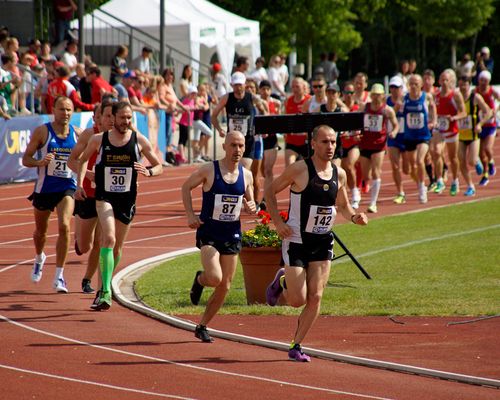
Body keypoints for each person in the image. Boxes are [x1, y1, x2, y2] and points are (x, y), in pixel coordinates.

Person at [264, 125, 368, 362]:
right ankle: (282, 279)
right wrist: (278, 223)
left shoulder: (338, 173)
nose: (330, 146)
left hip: (322, 241)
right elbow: (269, 192)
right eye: (324, 142)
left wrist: (354, 216)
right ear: (313, 144)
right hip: (297, 241)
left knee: (316, 297)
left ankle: (296, 344)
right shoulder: (299, 169)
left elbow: (342, 205)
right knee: (297, 299)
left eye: (333, 142)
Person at [74, 101, 163, 310]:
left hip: (127, 199)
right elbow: (82, 160)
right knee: (109, 238)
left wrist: (149, 171)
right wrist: (79, 184)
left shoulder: (138, 140)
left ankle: (104, 285)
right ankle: (105, 291)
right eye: (122, 117)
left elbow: (159, 165)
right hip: (104, 197)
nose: (126, 121)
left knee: (117, 247)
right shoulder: (99, 139)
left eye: (129, 118)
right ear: (113, 118)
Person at [182, 131, 257, 343]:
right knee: (215, 278)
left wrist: (252, 205)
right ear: (224, 146)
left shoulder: (247, 175)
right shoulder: (209, 170)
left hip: (231, 234)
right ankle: (200, 279)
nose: (238, 150)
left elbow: (250, 201)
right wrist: (190, 214)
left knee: (225, 285)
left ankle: (202, 325)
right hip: (209, 233)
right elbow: (186, 187)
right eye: (233, 145)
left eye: (241, 146)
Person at [22, 96, 81, 293]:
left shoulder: (77, 134)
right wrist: (40, 163)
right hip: (44, 188)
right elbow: (26, 159)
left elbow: (84, 161)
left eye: (69, 110)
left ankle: (59, 276)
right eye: (62, 109)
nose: (65, 113)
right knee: (41, 233)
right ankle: (39, 257)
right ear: (53, 110)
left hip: (67, 187)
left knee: (65, 226)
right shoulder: (42, 132)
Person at [68, 101, 115, 296]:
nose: (111, 120)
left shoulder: (121, 136)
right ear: (98, 118)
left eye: (115, 116)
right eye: (107, 116)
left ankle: (88, 279)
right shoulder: (90, 135)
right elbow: (72, 161)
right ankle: (79, 241)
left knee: (102, 241)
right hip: (87, 194)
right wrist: (87, 176)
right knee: (85, 245)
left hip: (108, 197)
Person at [212, 71, 266, 169]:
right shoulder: (226, 98)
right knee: (231, 169)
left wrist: (263, 129)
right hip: (232, 139)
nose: (238, 87)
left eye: (240, 84)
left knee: (244, 168)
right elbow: (214, 115)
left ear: (245, 84)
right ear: (231, 85)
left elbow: (264, 112)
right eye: (235, 85)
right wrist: (219, 129)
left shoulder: (252, 98)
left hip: (248, 139)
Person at [359, 83, 399, 213]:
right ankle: (369, 185)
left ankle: (373, 203)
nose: (376, 97)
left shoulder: (387, 110)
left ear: (383, 96)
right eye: (374, 94)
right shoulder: (365, 107)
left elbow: (396, 125)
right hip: (365, 144)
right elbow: (358, 122)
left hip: (379, 145)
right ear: (371, 95)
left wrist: (393, 132)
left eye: (379, 95)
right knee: (366, 175)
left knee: (376, 171)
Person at [403, 74, 436, 204]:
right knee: (412, 166)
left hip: (423, 135)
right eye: (411, 83)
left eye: (416, 83)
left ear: (421, 84)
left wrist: (434, 121)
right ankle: (420, 184)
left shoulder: (426, 97)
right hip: (409, 136)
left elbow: (433, 107)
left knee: (419, 160)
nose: (413, 86)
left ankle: (422, 189)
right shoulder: (405, 98)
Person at [432, 69, 466, 196]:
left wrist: (453, 118)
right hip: (440, 128)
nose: (445, 82)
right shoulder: (436, 95)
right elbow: (433, 111)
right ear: (439, 81)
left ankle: (455, 181)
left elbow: (463, 112)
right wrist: (434, 119)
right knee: (436, 152)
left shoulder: (455, 95)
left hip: (451, 128)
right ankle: (439, 180)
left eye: (447, 80)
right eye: (443, 80)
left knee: (453, 158)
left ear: (450, 81)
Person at [457, 75, 493, 196]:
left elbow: (488, 111)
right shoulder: (456, 98)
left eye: (465, 85)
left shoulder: (475, 97)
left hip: (473, 135)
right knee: (461, 161)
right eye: (460, 84)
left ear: (469, 85)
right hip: (460, 135)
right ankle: (470, 186)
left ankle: (477, 161)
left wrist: (480, 124)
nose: (462, 87)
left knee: (471, 161)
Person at [386, 75, 409, 204]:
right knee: (395, 166)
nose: (394, 90)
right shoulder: (387, 101)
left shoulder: (407, 100)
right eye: (392, 87)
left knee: (407, 169)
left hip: (406, 137)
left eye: (397, 87)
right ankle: (400, 192)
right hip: (393, 137)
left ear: (401, 88)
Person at [474, 70, 499, 186]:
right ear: (478, 80)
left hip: (490, 125)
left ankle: (491, 163)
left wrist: (496, 110)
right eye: (481, 80)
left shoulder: (491, 91)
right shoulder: (475, 91)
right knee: (480, 153)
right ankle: (485, 174)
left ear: (489, 81)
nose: (483, 82)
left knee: (488, 148)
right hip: (480, 125)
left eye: (485, 80)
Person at [340, 81, 362, 209]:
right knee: (342, 171)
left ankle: (355, 193)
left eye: (351, 93)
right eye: (347, 92)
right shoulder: (340, 108)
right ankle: (345, 195)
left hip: (354, 144)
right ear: (343, 94)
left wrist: (359, 134)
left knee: (348, 166)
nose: (349, 95)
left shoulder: (358, 108)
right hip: (341, 144)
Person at [283, 77, 311, 166]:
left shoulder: (310, 100)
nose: (295, 89)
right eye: (293, 87)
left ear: (303, 87)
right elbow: (285, 117)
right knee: (289, 167)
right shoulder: (288, 101)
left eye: (297, 86)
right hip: (292, 141)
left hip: (306, 142)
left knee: (308, 169)